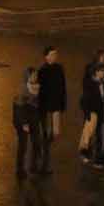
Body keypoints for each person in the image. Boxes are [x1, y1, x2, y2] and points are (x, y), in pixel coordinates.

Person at [36, 44, 66, 172]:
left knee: (55, 132)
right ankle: (44, 161)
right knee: (46, 133)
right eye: (52, 54)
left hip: (56, 106)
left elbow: (63, 87)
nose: (55, 56)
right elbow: (40, 91)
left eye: (55, 54)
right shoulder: (42, 71)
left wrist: (63, 103)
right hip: (45, 108)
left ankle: (44, 148)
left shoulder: (59, 68)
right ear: (46, 57)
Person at [80, 53, 104, 166]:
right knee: (89, 135)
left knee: (101, 135)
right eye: (102, 71)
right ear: (96, 72)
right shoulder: (91, 84)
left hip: (102, 113)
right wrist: (88, 114)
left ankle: (98, 159)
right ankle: (84, 152)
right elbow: (84, 100)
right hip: (93, 113)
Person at [13, 68, 42, 180]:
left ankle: (33, 166)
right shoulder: (23, 89)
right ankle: (20, 169)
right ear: (28, 77)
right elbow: (19, 108)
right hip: (23, 120)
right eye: (33, 75)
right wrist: (23, 123)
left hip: (34, 118)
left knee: (36, 143)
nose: (35, 77)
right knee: (23, 145)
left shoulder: (38, 88)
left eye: (36, 75)